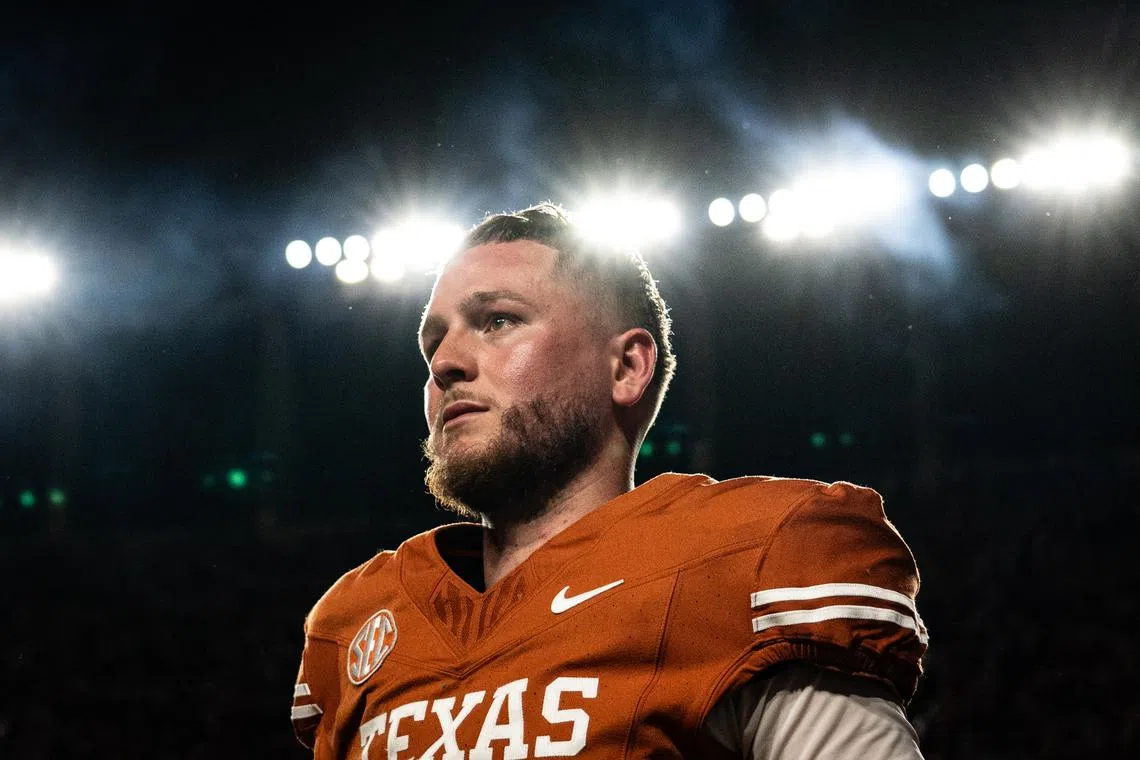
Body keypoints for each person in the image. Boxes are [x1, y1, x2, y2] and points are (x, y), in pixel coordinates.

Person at [290, 201, 929, 759]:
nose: (447, 364)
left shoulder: (745, 562)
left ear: (626, 366)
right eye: (434, 345)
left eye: (499, 321)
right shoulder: (357, 621)